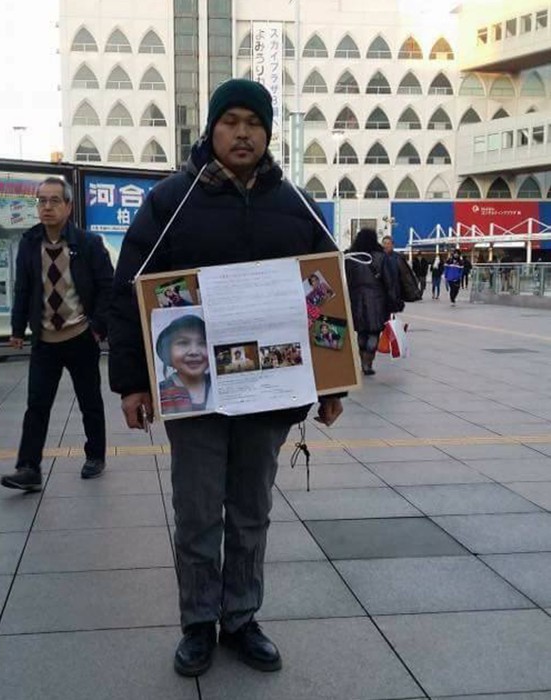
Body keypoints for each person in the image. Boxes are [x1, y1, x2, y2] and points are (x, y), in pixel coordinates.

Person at [108, 79, 343, 678]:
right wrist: (132, 382)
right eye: (231, 121)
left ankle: (240, 618)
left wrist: (333, 383)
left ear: (268, 133)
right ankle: (197, 623)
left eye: (254, 123)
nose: (243, 134)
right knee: (197, 512)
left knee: (250, 511)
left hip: (269, 394)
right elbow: (130, 291)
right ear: (211, 129)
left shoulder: (296, 204)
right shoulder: (170, 201)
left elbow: (325, 294)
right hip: (196, 393)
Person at [0, 177, 114, 491]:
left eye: (54, 200)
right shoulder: (29, 243)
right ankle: (28, 468)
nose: (47, 207)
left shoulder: (88, 244)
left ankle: (95, 456)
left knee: (89, 401)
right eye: (41, 201)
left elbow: (108, 287)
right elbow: (23, 289)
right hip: (45, 340)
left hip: (81, 336)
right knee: (36, 405)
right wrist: (17, 329)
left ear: (68, 206)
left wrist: (98, 327)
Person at [345, 229, 404, 376]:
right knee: (374, 332)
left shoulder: (350, 258)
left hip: (356, 299)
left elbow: (346, 280)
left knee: (361, 331)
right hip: (377, 299)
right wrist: (394, 300)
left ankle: (362, 360)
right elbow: (390, 281)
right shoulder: (381, 257)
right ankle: (368, 362)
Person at [156, 315, 211, 414]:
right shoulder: (160, 392)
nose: (194, 352)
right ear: (167, 351)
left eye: (202, 343)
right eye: (183, 343)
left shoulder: (220, 384)